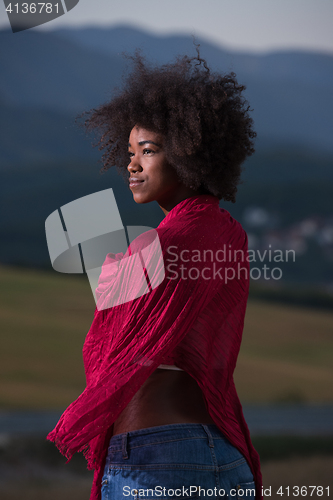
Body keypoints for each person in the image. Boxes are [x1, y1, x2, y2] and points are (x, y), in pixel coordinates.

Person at [47, 50, 262, 500]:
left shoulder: (165, 243)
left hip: (156, 461)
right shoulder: (228, 234)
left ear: (189, 151)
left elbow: (117, 346)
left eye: (149, 150)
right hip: (224, 457)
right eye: (129, 152)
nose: (132, 165)